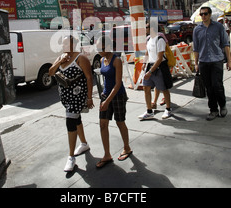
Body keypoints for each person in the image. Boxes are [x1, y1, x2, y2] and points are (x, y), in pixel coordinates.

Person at [49, 35, 94, 172]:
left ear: (73, 44)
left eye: (66, 44)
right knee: (76, 119)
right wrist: (59, 61)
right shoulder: (62, 57)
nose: (63, 47)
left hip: (77, 96)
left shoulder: (81, 58)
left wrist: (89, 97)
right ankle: (84, 143)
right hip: (65, 97)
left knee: (70, 122)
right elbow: (51, 72)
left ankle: (71, 158)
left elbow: (89, 78)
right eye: (62, 44)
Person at [95, 36, 132, 168]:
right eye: (98, 48)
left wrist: (107, 101)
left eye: (102, 48)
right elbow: (105, 80)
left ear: (109, 47)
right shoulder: (101, 59)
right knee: (103, 124)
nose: (99, 50)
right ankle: (106, 155)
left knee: (120, 122)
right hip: (106, 95)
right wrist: (103, 97)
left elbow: (117, 84)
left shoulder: (116, 61)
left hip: (118, 95)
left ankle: (127, 148)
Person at [193, 7, 231, 121]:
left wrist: (229, 61)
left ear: (210, 14)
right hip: (204, 62)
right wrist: (196, 63)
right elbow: (196, 48)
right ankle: (213, 110)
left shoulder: (218, 27)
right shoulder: (197, 30)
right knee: (209, 88)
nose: (203, 16)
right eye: (201, 14)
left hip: (216, 60)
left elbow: (225, 44)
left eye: (205, 14)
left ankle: (223, 105)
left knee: (217, 85)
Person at [139, 22, 172, 121]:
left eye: (147, 27)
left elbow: (159, 58)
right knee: (146, 87)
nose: (145, 29)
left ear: (152, 28)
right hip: (150, 65)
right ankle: (149, 111)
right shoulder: (149, 39)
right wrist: (144, 63)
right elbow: (147, 52)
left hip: (159, 67)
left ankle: (168, 109)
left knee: (164, 88)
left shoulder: (160, 39)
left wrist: (150, 72)